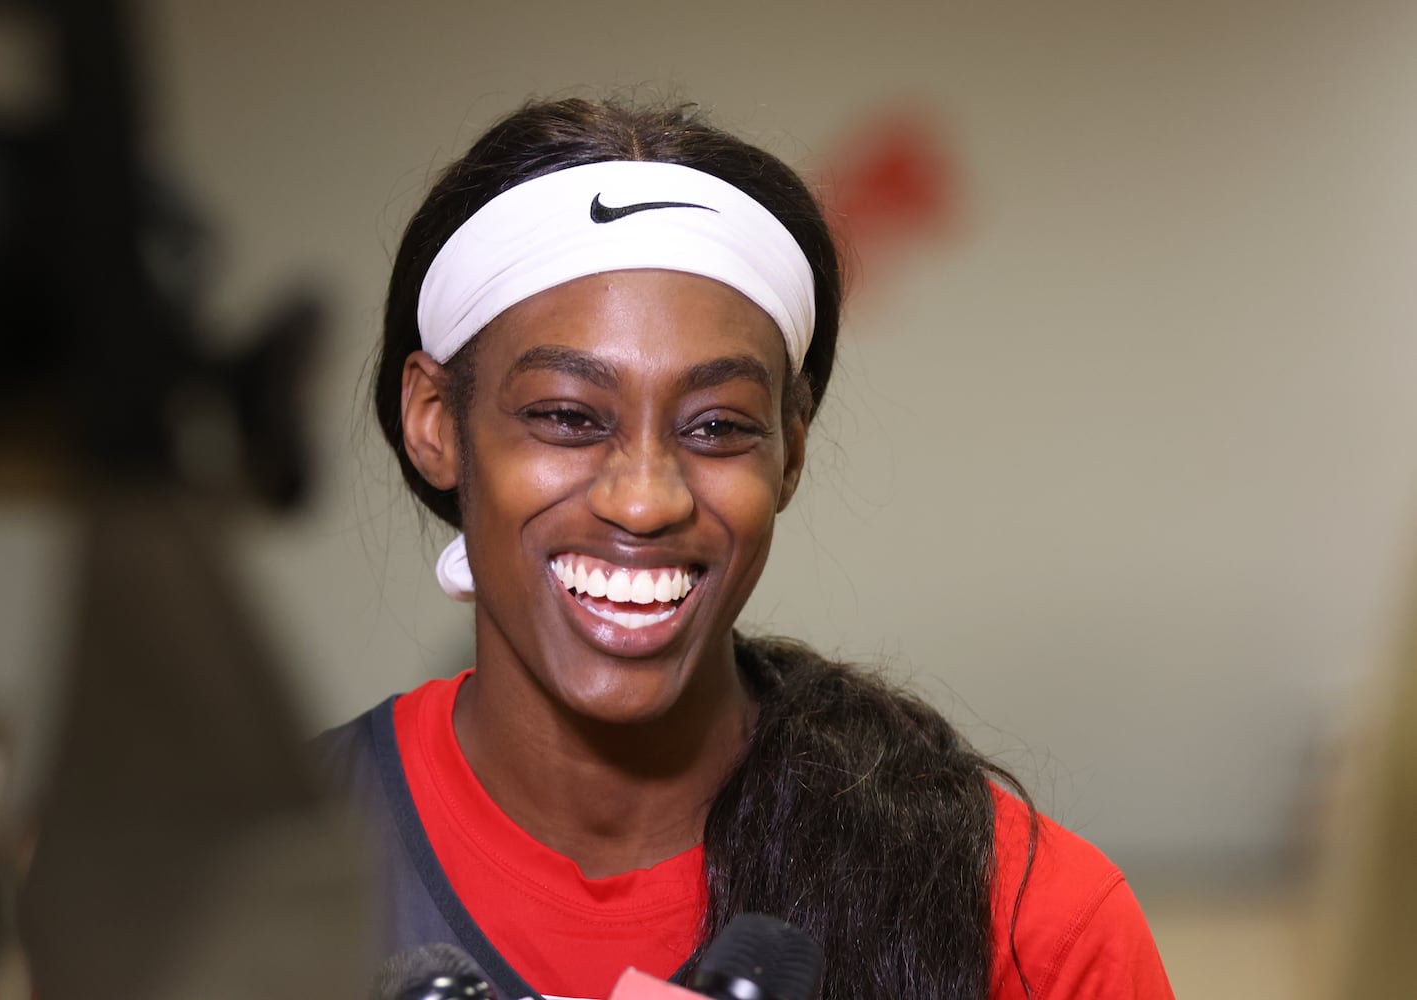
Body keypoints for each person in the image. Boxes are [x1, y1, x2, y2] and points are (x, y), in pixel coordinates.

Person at [316, 97, 1175, 1000]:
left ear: (790, 452)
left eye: (718, 426)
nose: (645, 499)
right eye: (567, 416)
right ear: (433, 422)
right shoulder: (227, 882)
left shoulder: (1027, 925)